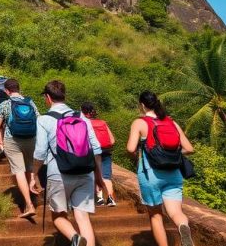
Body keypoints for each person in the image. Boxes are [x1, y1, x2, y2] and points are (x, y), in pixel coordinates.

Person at [31, 81, 105, 246]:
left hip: (58, 173)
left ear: (48, 98)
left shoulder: (44, 120)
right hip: (85, 173)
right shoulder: (82, 118)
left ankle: (75, 238)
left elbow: (40, 153)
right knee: (83, 217)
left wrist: (33, 175)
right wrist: (98, 177)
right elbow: (97, 150)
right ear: (65, 96)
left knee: (58, 216)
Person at [126, 91, 195, 246]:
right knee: (176, 212)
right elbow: (189, 148)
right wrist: (169, 155)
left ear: (142, 105)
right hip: (174, 173)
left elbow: (130, 148)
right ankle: (183, 226)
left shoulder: (139, 123)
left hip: (150, 175)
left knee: (156, 215)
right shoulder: (171, 122)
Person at [0, 78, 40, 219]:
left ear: (7, 91)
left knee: (19, 171)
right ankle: (32, 198)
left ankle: (29, 204)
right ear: (18, 88)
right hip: (31, 139)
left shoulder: (5, 105)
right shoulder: (30, 102)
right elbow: (39, 120)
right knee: (29, 168)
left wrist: (0, 144)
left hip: (12, 140)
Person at [81, 102, 116, 207]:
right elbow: (112, 140)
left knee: (96, 175)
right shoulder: (102, 122)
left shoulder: (83, 123)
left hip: (92, 153)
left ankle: (100, 199)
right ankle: (110, 198)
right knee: (106, 176)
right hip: (105, 151)